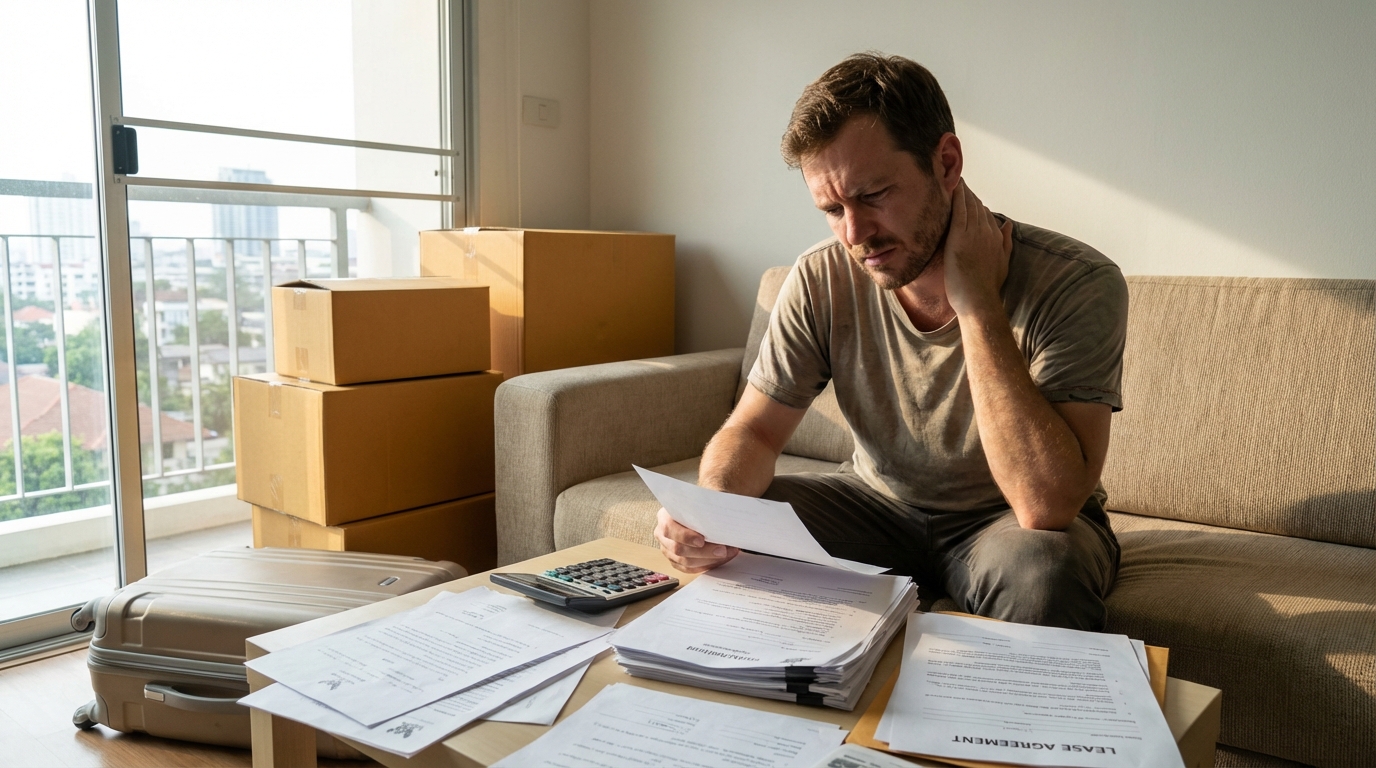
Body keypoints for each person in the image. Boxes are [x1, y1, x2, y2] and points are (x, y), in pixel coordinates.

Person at [653, 53, 1128, 631]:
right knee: (743, 530)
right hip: (877, 506)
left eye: (873, 195)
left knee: (1045, 571)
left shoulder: (1076, 281)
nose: (855, 234)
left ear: (946, 163)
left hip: (1008, 525)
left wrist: (976, 302)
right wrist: (714, 513)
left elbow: (1046, 504)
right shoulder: (821, 277)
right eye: (832, 209)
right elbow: (753, 431)